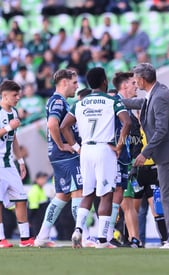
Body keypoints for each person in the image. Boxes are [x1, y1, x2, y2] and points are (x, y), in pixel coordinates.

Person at [122, 63, 169, 249]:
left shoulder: (159, 96)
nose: (135, 83)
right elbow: (141, 104)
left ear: (143, 79)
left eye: (136, 79)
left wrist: (145, 153)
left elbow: (161, 130)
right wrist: (117, 101)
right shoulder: (157, 92)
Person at [61, 67, 131, 248]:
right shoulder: (111, 100)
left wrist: (76, 147)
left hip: (85, 150)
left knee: (88, 193)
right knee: (106, 194)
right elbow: (127, 122)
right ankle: (102, 239)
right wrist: (120, 145)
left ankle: (78, 229)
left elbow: (63, 127)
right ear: (104, 82)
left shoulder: (79, 103)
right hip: (104, 149)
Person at [34, 69, 84, 248]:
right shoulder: (57, 101)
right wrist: (62, 145)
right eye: (74, 83)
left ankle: (42, 236)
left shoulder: (58, 101)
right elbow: (52, 124)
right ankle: (81, 234)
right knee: (79, 190)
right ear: (64, 82)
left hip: (57, 155)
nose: (77, 87)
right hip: (65, 154)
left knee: (62, 195)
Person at [0, 79, 34, 248]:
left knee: (21, 198)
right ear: (4, 95)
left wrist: (20, 161)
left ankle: (25, 239)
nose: (18, 97)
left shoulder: (14, 112)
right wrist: (8, 128)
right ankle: (1, 239)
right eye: (14, 95)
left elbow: (14, 138)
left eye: (18, 94)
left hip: (9, 163)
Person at [111, 71, 143, 247]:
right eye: (132, 83)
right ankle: (129, 238)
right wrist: (119, 147)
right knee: (123, 202)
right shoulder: (116, 106)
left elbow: (135, 137)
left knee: (126, 202)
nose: (136, 85)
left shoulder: (128, 109)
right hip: (117, 160)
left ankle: (130, 238)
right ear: (124, 86)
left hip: (125, 160)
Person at [27, 172, 50, 237]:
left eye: (45, 179)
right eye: (42, 179)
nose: (44, 181)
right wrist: (29, 220)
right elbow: (33, 207)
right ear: (37, 179)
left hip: (40, 216)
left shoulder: (40, 189)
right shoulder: (35, 190)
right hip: (36, 217)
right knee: (37, 234)